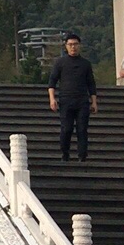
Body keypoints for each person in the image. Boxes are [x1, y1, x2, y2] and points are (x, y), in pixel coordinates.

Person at [48, 33, 98, 162]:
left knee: (82, 129)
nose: (73, 47)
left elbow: (91, 83)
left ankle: (82, 156)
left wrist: (94, 102)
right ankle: (65, 154)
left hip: (82, 100)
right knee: (67, 129)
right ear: (66, 46)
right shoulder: (60, 63)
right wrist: (52, 99)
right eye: (70, 45)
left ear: (79, 46)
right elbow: (52, 81)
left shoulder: (85, 64)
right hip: (66, 100)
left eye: (75, 44)